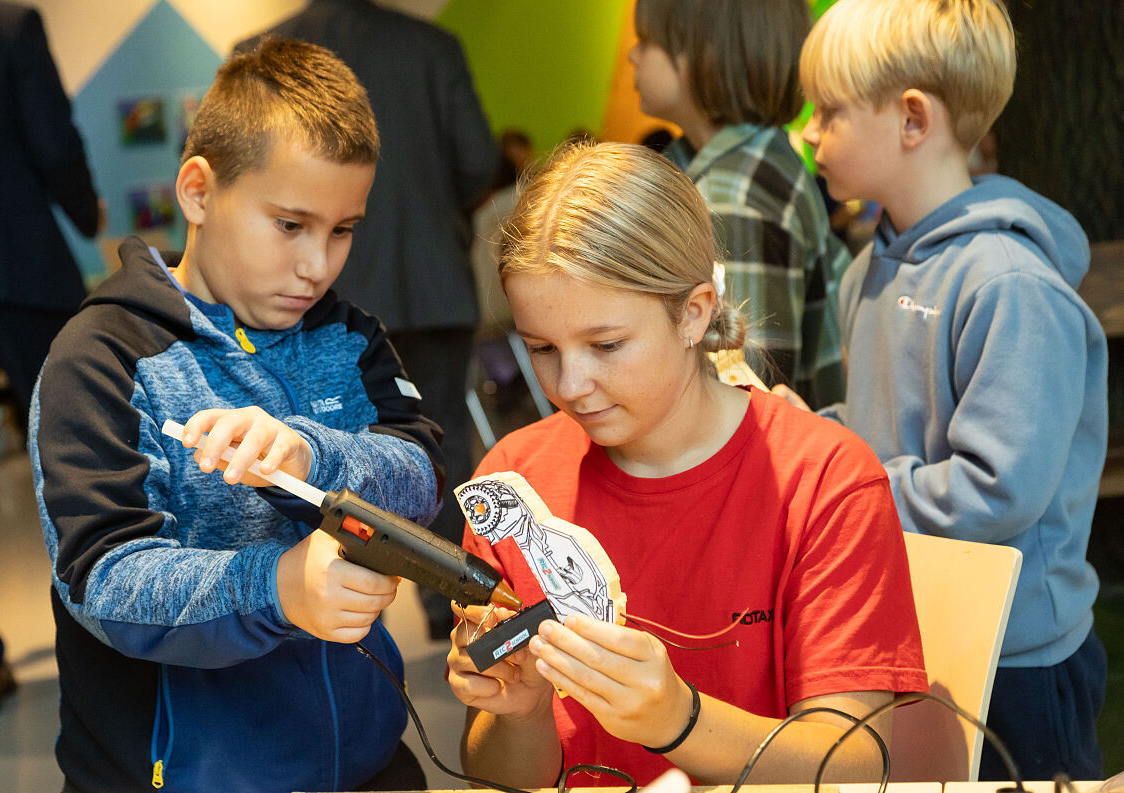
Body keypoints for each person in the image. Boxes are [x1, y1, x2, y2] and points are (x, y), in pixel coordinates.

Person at [30, 39, 444, 792]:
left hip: (371, 764)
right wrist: (280, 586)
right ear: (197, 191)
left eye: (342, 229)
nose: (318, 265)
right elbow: (105, 578)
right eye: (290, 225)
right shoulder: (101, 358)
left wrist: (312, 458)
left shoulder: (348, 336)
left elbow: (421, 480)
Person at [446, 142, 928, 787]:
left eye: (606, 345)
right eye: (541, 348)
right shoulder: (514, 484)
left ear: (694, 313)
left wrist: (680, 721)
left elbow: (855, 764)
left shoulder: (823, 480)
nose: (571, 383)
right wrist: (521, 713)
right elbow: (499, 775)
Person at [786, 0, 1108, 780]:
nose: (808, 134)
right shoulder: (872, 264)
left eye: (828, 112)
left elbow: (997, 490)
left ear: (911, 119)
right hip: (911, 626)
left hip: (1015, 657)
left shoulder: (1008, 284)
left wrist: (845, 488)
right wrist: (811, 435)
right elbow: (881, 427)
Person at [237, 0, 499, 642]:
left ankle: (330, 611)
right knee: (440, 448)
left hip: (317, 297)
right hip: (431, 283)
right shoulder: (433, 47)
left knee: (307, 448)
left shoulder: (260, 51)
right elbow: (480, 163)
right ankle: (455, 606)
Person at [0, 0, 103, 716]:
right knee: (79, 453)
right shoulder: (6, 24)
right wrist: (84, 208)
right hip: (23, 274)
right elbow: (53, 139)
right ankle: (104, 642)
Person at [628, 0, 850, 408]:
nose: (632, 54)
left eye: (647, 41)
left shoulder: (733, 196)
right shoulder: (751, 166)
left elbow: (742, 391)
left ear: (703, 53)